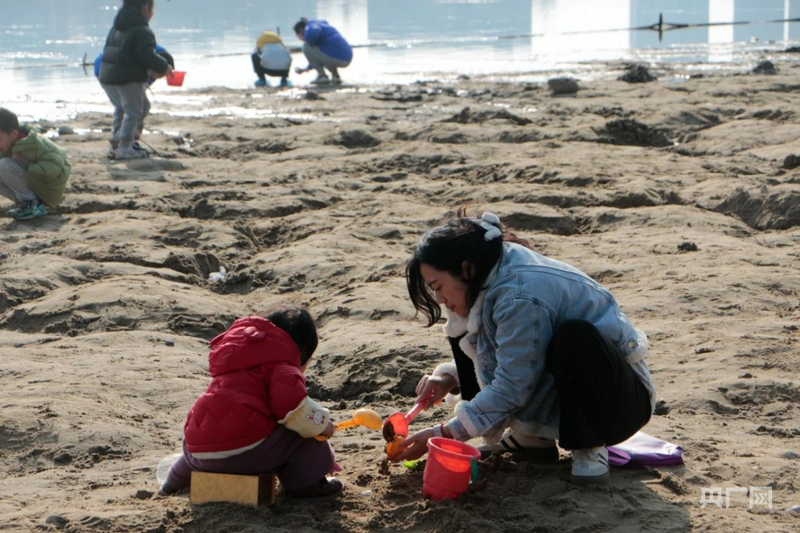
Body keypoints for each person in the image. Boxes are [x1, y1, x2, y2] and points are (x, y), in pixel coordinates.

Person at [393, 208, 656, 485]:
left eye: (438, 286)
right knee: (464, 323)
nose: (439, 299)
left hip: (616, 405)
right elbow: (514, 349)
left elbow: (512, 385)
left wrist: (446, 433)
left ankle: (589, 445)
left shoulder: (519, 295)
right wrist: (449, 377)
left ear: (466, 267)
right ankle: (532, 438)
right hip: (560, 386)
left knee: (574, 337)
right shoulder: (489, 273)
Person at [159, 305, 344, 499]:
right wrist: (322, 424)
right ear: (302, 352)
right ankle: (307, 486)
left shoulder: (235, 362)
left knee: (203, 435)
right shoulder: (283, 368)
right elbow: (295, 411)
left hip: (200, 456)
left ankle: (171, 484)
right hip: (247, 455)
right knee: (302, 435)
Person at [98, 0, 173, 160]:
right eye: (152, 9)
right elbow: (147, 54)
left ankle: (117, 142)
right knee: (133, 111)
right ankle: (124, 145)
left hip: (108, 75)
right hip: (127, 77)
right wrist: (164, 66)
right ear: (145, 8)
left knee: (126, 107)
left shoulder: (118, 25)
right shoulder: (142, 30)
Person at [94, 45, 174, 158]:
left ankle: (124, 140)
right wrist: (133, 129)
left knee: (125, 106)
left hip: (110, 70)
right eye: (161, 74)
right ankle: (121, 140)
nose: (161, 77)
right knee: (134, 106)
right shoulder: (145, 57)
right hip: (109, 71)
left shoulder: (154, 56)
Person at [0, 107, 71, 221]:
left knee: (4, 165)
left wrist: (26, 164)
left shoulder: (34, 144)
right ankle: (26, 203)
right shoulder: (10, 145)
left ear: (13, 134)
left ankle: (32, 205)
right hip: (36, 186)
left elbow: (53, 167)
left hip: (48, 190)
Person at [293, 18, 352, 85]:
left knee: (306, 47)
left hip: (337, 59)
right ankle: (336, 76)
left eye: (298, 35)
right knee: (327, 52)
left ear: (301, 30)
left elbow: (314, 31)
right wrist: (307, 68)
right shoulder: (322, 26)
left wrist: (306, 38)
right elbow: (318, 57)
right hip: (346, 58)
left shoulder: (310, 27)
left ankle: (322, 76)